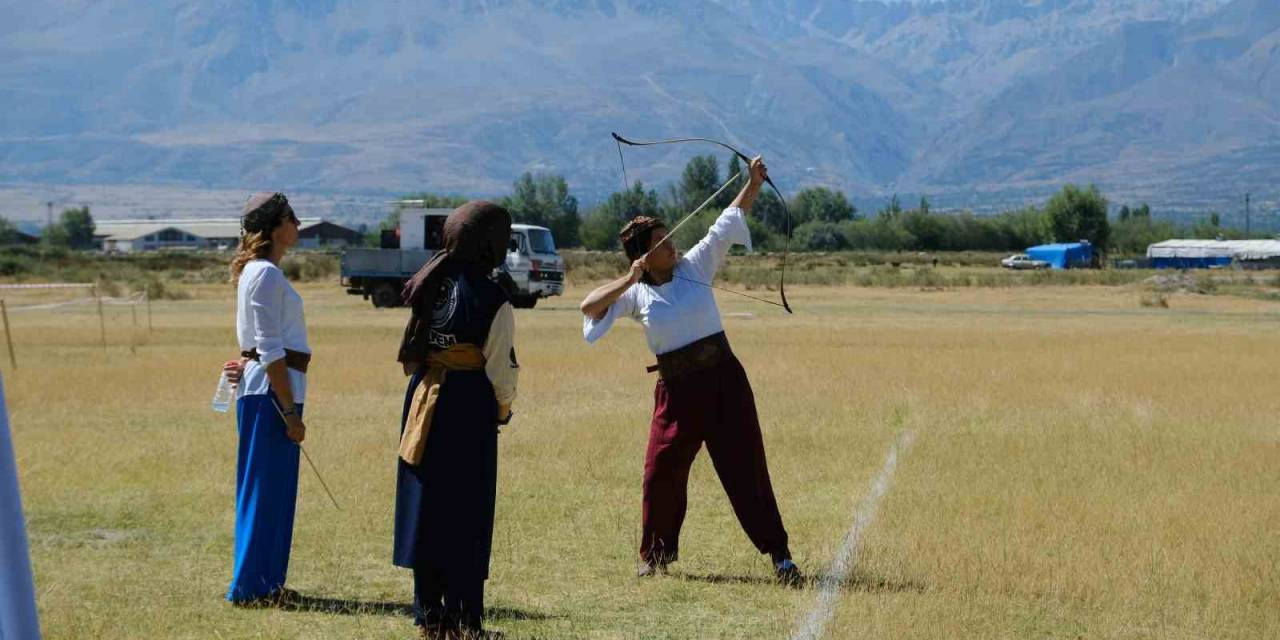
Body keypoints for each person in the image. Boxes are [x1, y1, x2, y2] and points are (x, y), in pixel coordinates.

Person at [579, 156, 801, 584]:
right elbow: (589, 306)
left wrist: (753, 182)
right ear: (642, 255)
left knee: (746, 468)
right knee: (659, 473)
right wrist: (629, 279)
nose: (671, 245)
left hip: (724, 383)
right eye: (661, 242)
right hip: (676, 392)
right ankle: (655, 556)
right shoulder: (634, 295)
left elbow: (728, 218)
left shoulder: (695, 265)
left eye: (669, 238)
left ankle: (780, 555)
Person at [394, 201, 519, 639]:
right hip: (467, 404)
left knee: (429, 513)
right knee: (467, 515)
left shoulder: (431, 280)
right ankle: (465, 622)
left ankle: (430, 618)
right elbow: (500, 370)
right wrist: (503, 410)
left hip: (425, 399)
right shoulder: (493, 295)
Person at [224, 192, 311, 606]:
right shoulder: (266, 275)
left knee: (274, 492)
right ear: (276, 227)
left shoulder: (261, 273)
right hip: (271, 395)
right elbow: (270, 349)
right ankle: (251, 586)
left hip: (268, 391)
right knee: (264, 490)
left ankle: (267, 582)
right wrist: (290, 410)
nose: (298, 225)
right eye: (292, 218)